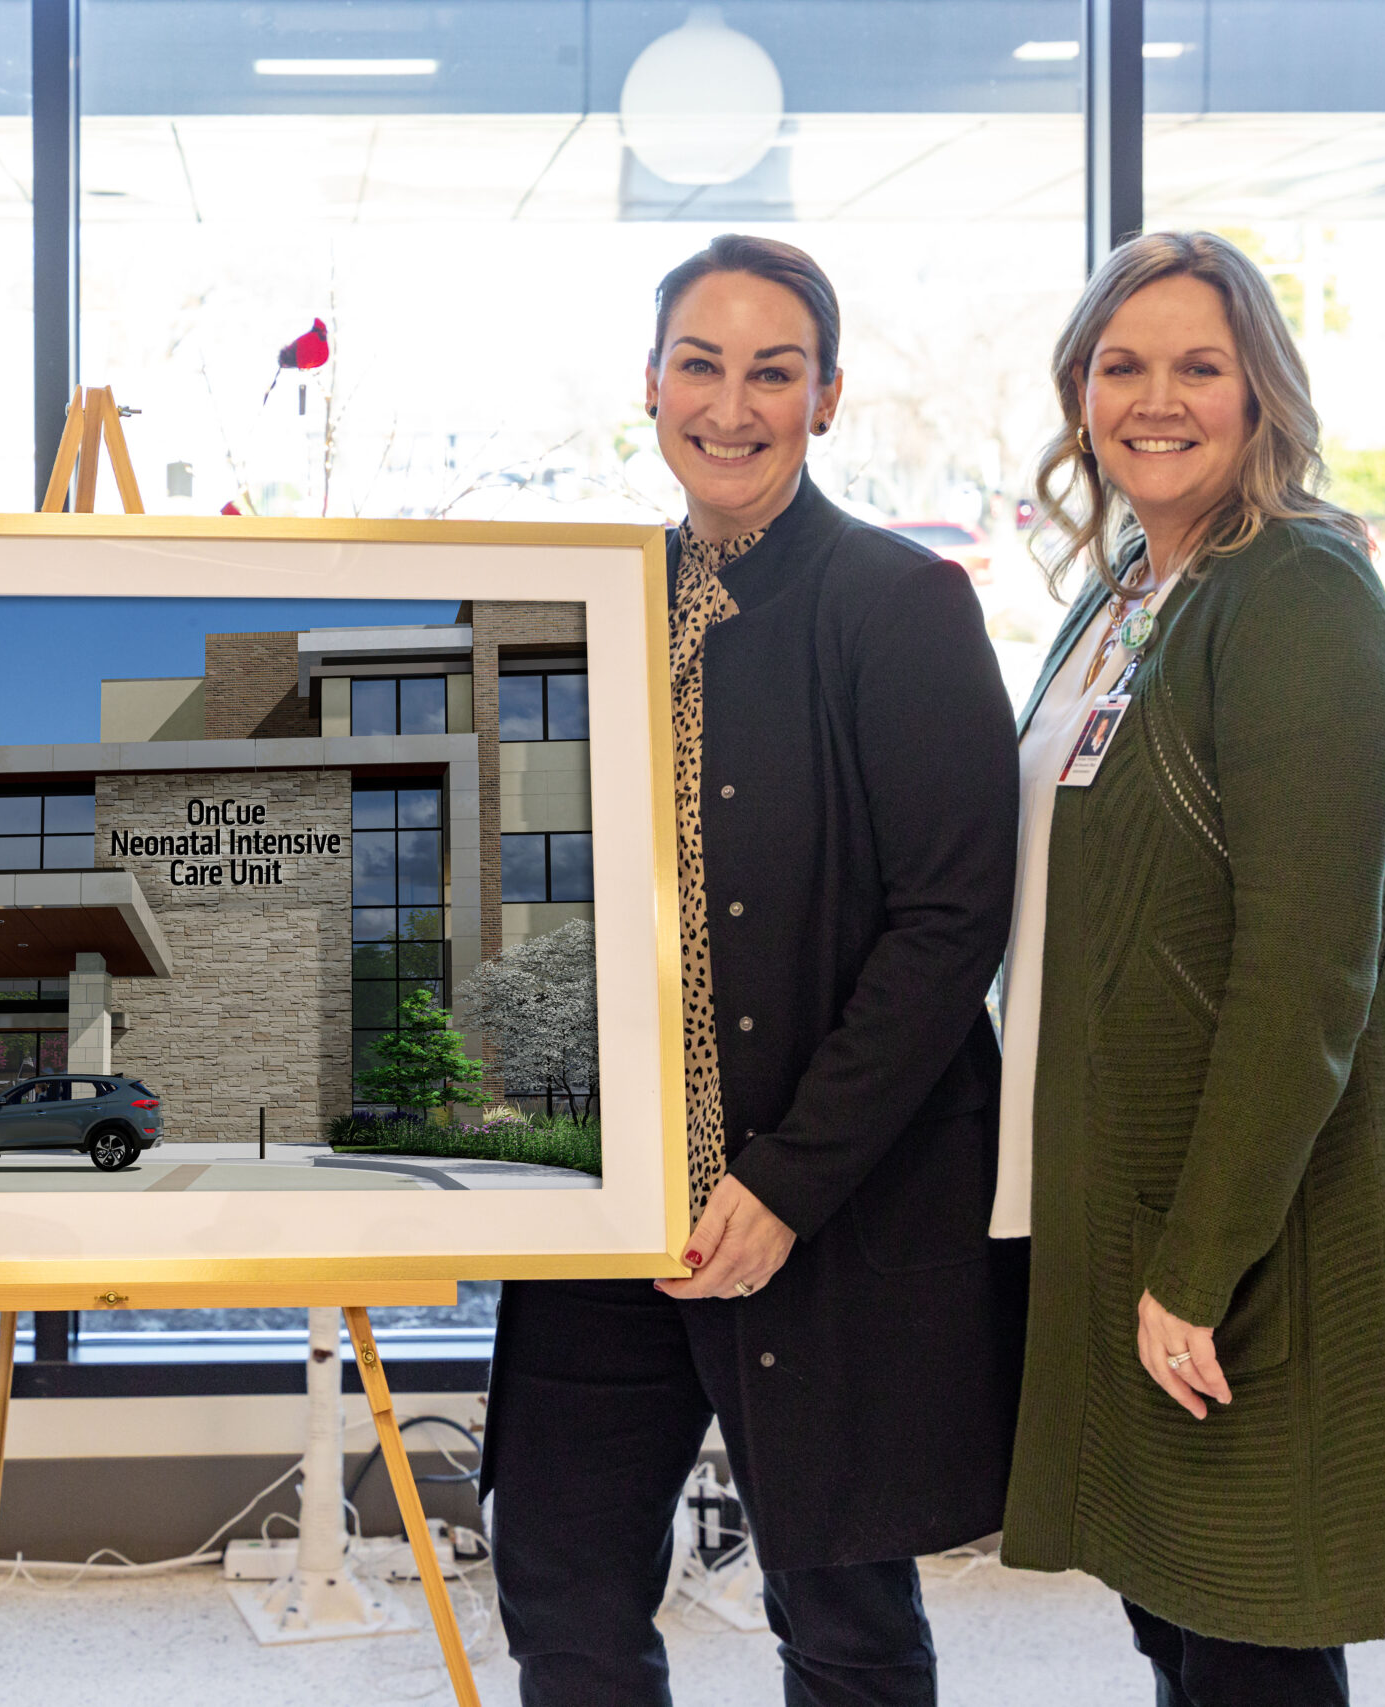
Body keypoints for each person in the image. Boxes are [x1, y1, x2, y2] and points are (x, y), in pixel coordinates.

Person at [482, 235, 1027, 1707]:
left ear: (827, 397)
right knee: (555, 1567)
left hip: (818, 1200)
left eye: (772, 372)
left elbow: (950, 919)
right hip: (610, 1201)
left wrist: (785, 1181)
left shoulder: (900, 603)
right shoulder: (591, 603)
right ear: (650, 384)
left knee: (840, 1598)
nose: (732, 406)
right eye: (702, 367)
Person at [998, 230, 1385, 1702]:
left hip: (1248, 1227)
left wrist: (1196, 1265)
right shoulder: (1138, 584)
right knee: (1176, 1613)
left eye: (1201, 365)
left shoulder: (1299, 596)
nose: (1158, 397)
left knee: (1253, 1626)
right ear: (1082, 394)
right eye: (1122, 365)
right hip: (1133, 1201)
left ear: (1262, 391)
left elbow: (1306, 979)